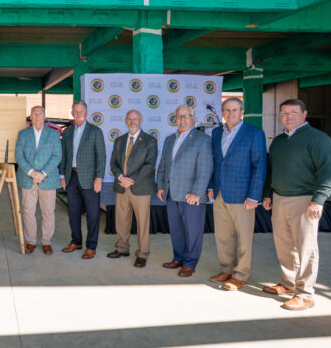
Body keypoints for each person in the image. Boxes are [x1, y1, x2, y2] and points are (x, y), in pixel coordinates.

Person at [262, 98, 331, 311]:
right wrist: (268, 195)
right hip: (279, 198)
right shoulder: (278, 141)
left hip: (305, 200)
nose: (288, 117)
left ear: (304, 114)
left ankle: (305, 294)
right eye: (284, 113)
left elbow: (327, 173)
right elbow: (271, 171)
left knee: (306, 248)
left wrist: (318, 200)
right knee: (284, 245)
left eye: (294, 112)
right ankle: (288, 283)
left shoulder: (318, 139)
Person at [207, 98, 267, 291]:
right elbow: (214, 163)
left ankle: (240, 275)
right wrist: (210, 186)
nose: (230, 114)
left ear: (242, 112)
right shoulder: (216, 133)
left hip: (243, 196)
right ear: (222, 112)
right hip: (219, 193)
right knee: (223, 236)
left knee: (243, 239)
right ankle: (226, 269)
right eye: (226, 110)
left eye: (234, 110)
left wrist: (254, 196)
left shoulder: (254, 133)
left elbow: (260, 166)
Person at [157, 105, 213, 277]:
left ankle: (190, 262)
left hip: (191, 195)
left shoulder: (202, 139)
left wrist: (197, 192)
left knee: (193, 231)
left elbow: (205, 168)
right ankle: (178, 257)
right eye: (179, 116)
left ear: (193, 118)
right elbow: (163, 166)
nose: (182, 119)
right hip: (171, 193)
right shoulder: (169, 140)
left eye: (186, 116)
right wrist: (160, 186)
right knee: (176, 230)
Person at [107, 110, 158, 268]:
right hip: (122, 186)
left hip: (140, 187)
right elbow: (113, 163)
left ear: (141, 120)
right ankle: (122, 248)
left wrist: (132, 180)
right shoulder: (119, 140)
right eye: (129, 119)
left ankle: (143, 254)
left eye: (135, 119)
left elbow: (150, 165)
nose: (132, 122)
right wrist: (121, 177)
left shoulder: (150, 141)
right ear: (125, 121)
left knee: (143, 223)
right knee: (121, 220)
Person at [59, 100, 106, 259]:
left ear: (86, 113)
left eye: (81, 111)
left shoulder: (95, 131)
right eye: (75, 111)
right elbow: (64, 156)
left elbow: (101, 157)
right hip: (71, 177)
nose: (78, 114)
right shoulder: (67, 132)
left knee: (92, 214)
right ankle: (76, 241)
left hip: (90, 179)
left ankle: (91, 246)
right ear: (72, 113)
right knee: (73, 212)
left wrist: (99, 178)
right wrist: (62, 175)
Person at [15, 106, 62, 255]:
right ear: (30, 116)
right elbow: (19, 155)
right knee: (28, 212)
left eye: (40, 114)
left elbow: (57, 156)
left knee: (48, 213)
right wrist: (31, 172)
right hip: (28, 179)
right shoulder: (22, 134)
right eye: (34, 114)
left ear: (44, 116)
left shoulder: (54, 134)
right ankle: (31, 242)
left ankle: (46, 242)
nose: (37, 116)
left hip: (47, 179)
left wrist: (42, 173)